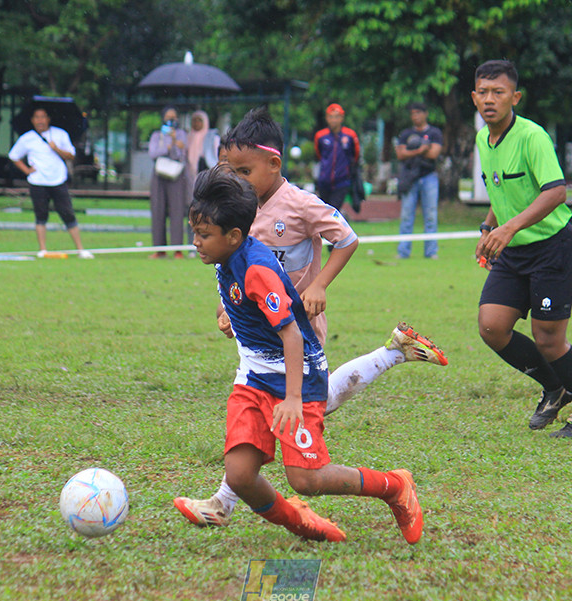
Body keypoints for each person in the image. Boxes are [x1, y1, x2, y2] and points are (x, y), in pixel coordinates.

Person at [174, 107, 447, 528]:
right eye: (231, 171)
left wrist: (318, 284)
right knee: (277, 423)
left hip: (296, 332)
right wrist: (227, 309)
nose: (237, 181)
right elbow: (229, 278)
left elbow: (347, 239)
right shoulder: (230, 218)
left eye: (243, 171)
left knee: (307, 413)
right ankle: (229, 500)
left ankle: (392, 363)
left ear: (273, 163)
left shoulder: (296, 205)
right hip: (261, 345)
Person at [472, 59, 572, 438]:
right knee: (491, 327)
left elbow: (556, 192)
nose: (489, 99)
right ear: (473, 97)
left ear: (515, 97)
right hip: (514, 251)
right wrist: (489, 227)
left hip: (552, 247)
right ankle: (554, 386)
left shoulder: (532, 137)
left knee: (549, 338)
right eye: (483, 92)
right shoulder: (484, 139)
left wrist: (509, 228)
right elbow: (504, 189)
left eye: (498, 92)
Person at [8, 106, 93, 259]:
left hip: (58, 180)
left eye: (43, 117)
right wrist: (27, 170)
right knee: (41, 215)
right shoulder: (27, 138)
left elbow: (71, 155)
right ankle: (43, 249)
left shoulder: (60, 134)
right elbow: (14, 156)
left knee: (68, 214)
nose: (40, 121)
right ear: (32, 120)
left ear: (48, 119)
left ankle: (81, 249)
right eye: (37, 117)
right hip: (38, 181)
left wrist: (56, 149)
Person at [395, 102, 442, 259]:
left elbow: (434, 153)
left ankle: (431, 252)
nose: (415, 116)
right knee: (407, 215)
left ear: (425, 113)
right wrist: (420, 150)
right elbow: (400, 154)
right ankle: (403, 252)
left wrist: (411, 151)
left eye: (418, 113)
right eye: (413, 113)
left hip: (429, 177)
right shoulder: (406, 134)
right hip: (410, 178)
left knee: (430, 215)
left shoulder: (434, 133)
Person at [148, 106, 189, 259]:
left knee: (177, 211)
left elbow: (181, 155)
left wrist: (174, 141)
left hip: (176, 174)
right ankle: (159, 249)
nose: (171, 120)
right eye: (168, 117)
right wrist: (168, 146)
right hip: (159, 174)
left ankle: (177, 249)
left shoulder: (181, 135)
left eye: (174, 117)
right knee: (158, 210)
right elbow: (153, 153)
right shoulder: (156, 135)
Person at [313, 103, 359, 213]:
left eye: (337, 117)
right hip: (325, 180)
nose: (334, 120)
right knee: (323, 210)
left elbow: (356, 154)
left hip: (342, 180)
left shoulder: (350, 135)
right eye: (331, 117)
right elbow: (318, 154)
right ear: (327, 118)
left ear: (342, 118)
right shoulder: (320, 136)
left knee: (333, 210)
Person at [186, 110, 220, 185]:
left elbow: (217, 156)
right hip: (189, 173)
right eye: (194, 120)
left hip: (207, 172)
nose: (196, 123)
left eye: (199, 120)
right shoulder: (188, 137)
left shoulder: (212, 137)